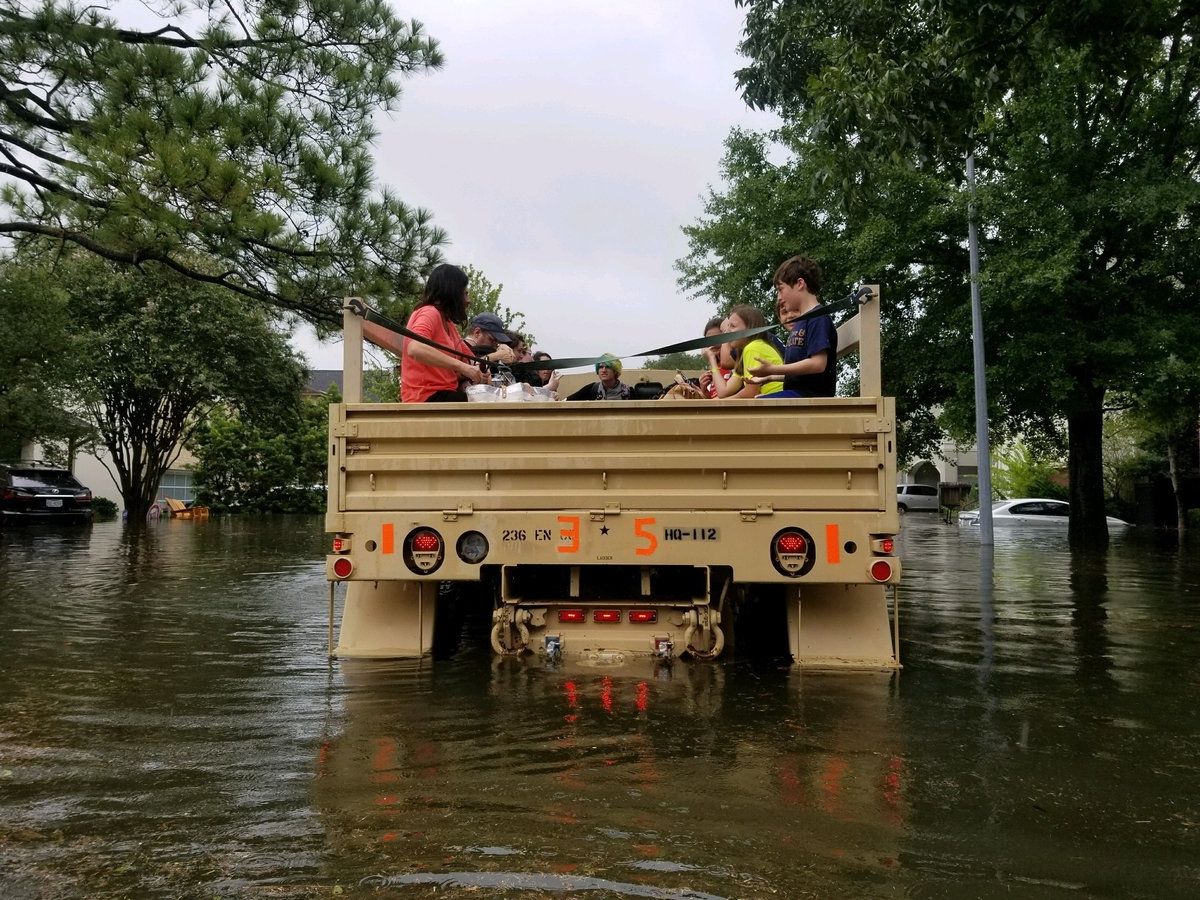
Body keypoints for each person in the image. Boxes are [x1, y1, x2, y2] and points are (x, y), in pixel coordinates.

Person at [360, 264, 498, 402]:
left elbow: (471, 361)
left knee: (492, 400)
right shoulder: (429, 313)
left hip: (443, 395)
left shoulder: (448, 324)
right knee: (492, 405)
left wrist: (484, 372)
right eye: (464, 293)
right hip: (426, 397)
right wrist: (464, 367)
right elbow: (415, 348)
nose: (468, 300)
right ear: (452, 292)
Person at [750, 255, 838, 398]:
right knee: (756, 404)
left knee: (752, 409)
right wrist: (770, 376)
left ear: (800, 284)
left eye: (780, 289)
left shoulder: (817, 318)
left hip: (811, 397)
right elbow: (800, 376)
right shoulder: (802, 322)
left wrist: (774, 368)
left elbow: (818, 364)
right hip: (798, 394)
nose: (779, 297)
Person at [708, 305, 784, 399]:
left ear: (749, 329)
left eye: (732, 326)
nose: (727, 332)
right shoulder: (746, 350)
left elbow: (750, 393)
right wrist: (712, 358)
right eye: (727, 326)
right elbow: (724, 392)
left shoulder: (753, 347)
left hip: (779, 406)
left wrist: (719, 405)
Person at [565, 353, 632, 401]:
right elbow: (565, 402)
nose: (604, 370)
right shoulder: (592, 389)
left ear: (615, 371)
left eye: (608, 367)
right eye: (600, 367)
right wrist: (554, 390)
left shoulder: (629, 391)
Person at [698, 315, 734, 399]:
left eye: (717, 339)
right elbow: (714, 400)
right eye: (709, 340)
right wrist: (704, 390)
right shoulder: (715, 369)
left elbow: (726, 398)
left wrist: (711, 359)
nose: (713, 344)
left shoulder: (734, 364)